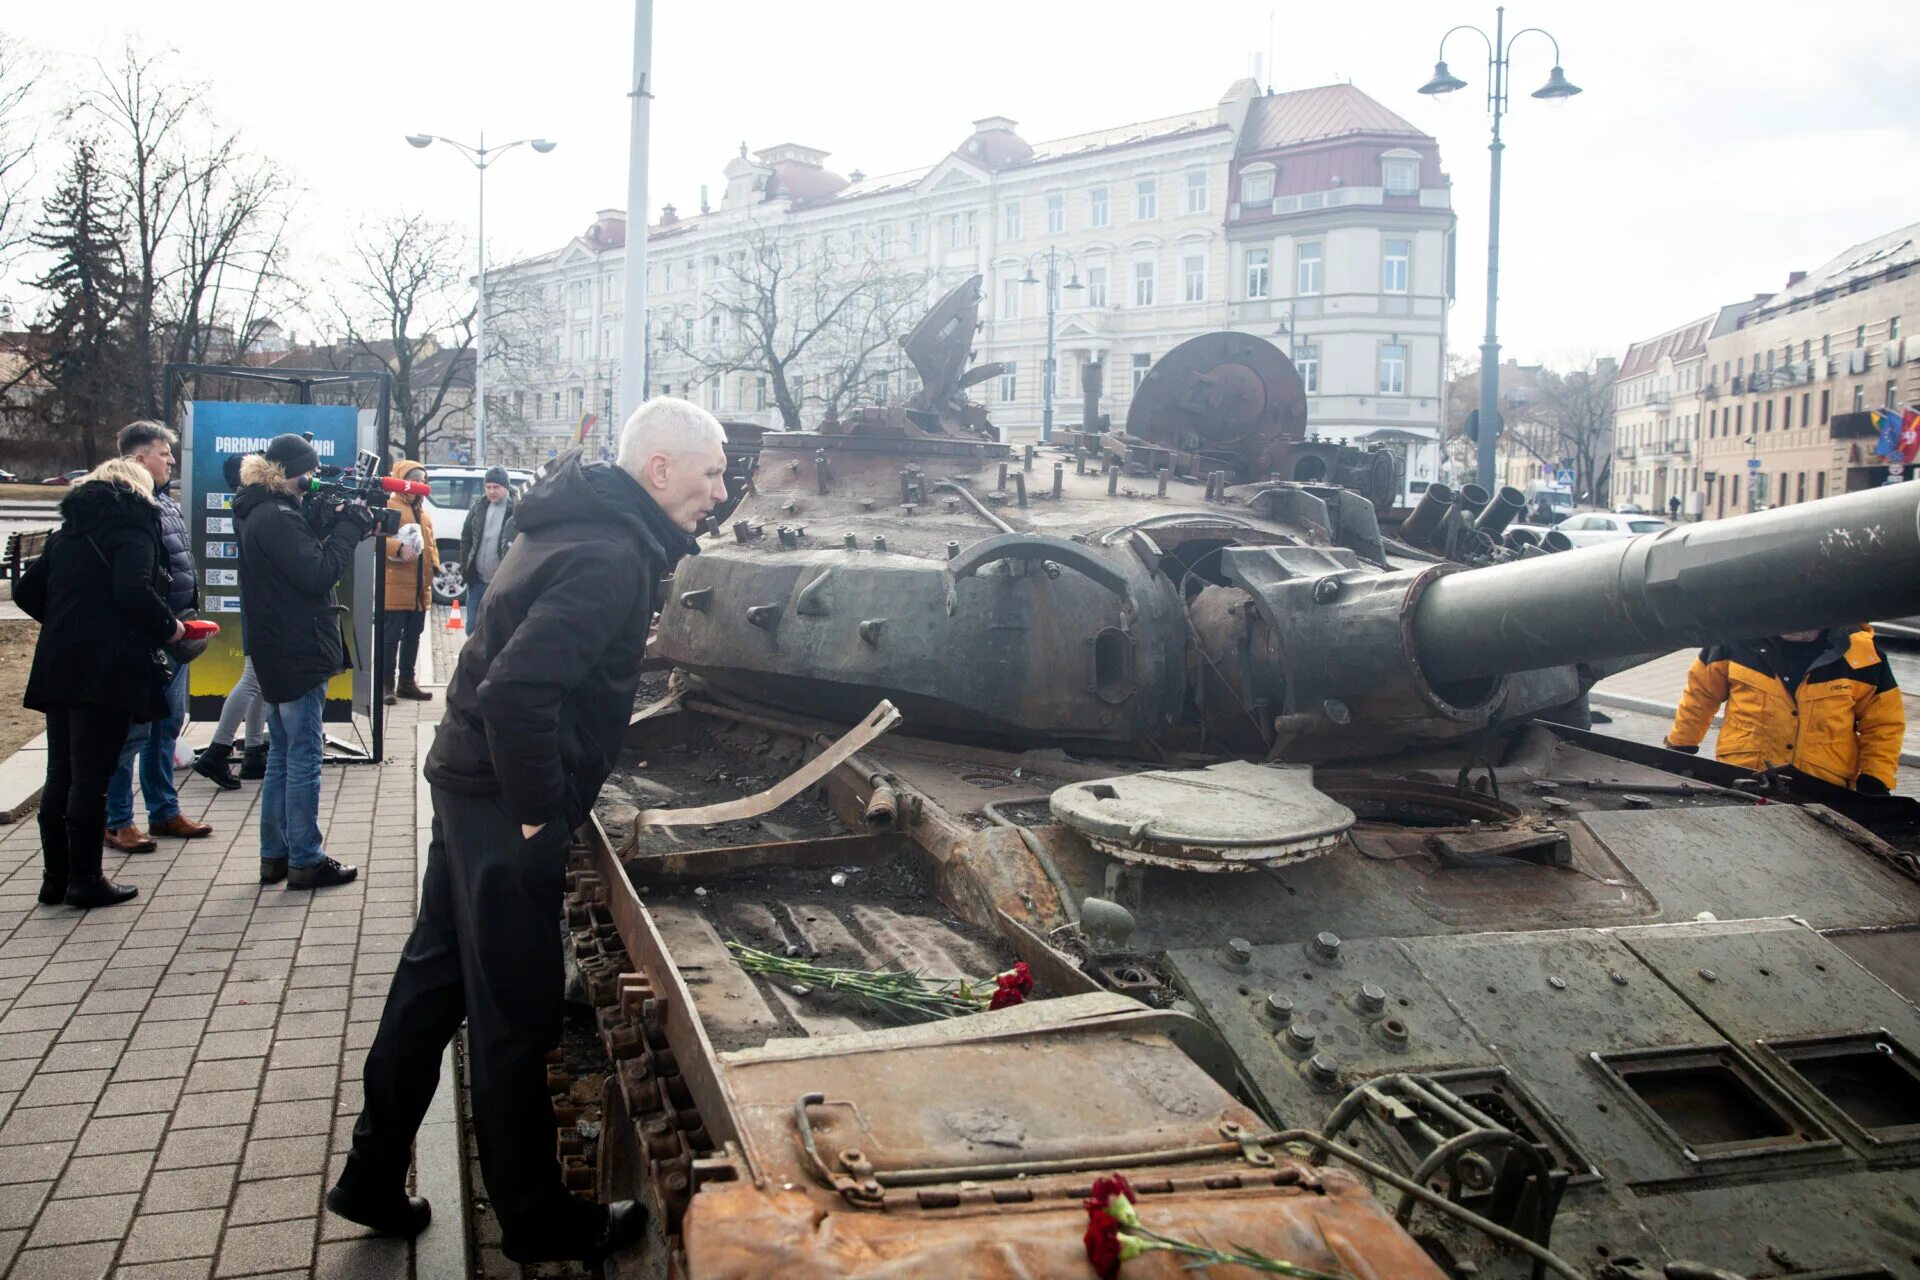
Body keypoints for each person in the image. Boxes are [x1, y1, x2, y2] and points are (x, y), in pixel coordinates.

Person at [330, 399, 728, 1263]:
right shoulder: (614, 554)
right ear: (660, 471)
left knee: (433, 984)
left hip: (466, 779)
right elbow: (519, 691)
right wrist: (541, 807)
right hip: (503, 800)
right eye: (710, 474)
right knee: (515, 1020)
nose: (720, 492)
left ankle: (370, 1175)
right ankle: (538, 1223)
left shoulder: (576, 524)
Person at [17, 457, 187, 908]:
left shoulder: (67, 533)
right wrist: (171, 627)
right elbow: (133, 590)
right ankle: (86, 880)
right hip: (106, 670)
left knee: (61, 776)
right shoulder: (133, 529)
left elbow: (25, 592)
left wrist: (66, 624)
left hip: (59, 665)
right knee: (90, 780)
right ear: (138, 490)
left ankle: (55, 880)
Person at [234, 433, 374, 888]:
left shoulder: (264, 511)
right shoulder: (276, 516)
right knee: (303, 758)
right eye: (309, 472)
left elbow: (293, 567)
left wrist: (317, 523)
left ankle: (275, 854)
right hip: (297, 650)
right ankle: (306, 859)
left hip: (277, 648)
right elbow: (317, 574)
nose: (314, 479)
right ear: (292, 472)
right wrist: (349, 530)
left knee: (281, 756)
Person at [104, 421, 213, 849]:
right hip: (146, 637)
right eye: (163, 452)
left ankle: (164, 813)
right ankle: (117, 820)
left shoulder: (164, 502)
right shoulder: (125, 506)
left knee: (167, 728)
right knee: (131, 734)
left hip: (176, 633)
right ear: (136, 458)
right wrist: (163, 624)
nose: (171, 459)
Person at [1665, 626, 1905, 793]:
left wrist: (1876, 779)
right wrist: (1679, 748)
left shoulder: (1864, 656)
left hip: (1823, 790)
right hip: (1743, 780)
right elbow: (1701, 697)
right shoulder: (1733, 642)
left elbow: (1883, 726)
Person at [193, 454, 269, 789]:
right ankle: (218, 750)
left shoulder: (247, 504)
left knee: (260, 678)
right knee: (254, 676)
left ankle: (252, 752)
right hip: (263, 599)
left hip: (258, 596)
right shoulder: (254, 506)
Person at [378, 459, 438, 705]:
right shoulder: (389, 506)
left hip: (418, 588)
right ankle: (385, 685)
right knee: (390, 637)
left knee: (414, 635)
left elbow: (431, 544)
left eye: (422, 481)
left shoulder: (423, 513)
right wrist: (398, 547)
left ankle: (407, 682)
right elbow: (378, 538)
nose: (420, 485)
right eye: (416, 480)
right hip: (395, 586)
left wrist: (433, 566)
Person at [459, 466, 517, 625]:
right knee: (472, 626)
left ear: (505, 486)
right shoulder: (479, 506)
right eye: (488, 487)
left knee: (498, 626)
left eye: (496, 487)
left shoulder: (516, 510)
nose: (491, 491)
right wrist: (465, 567)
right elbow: (466, 537)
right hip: (477, 580)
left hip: (502, 582)